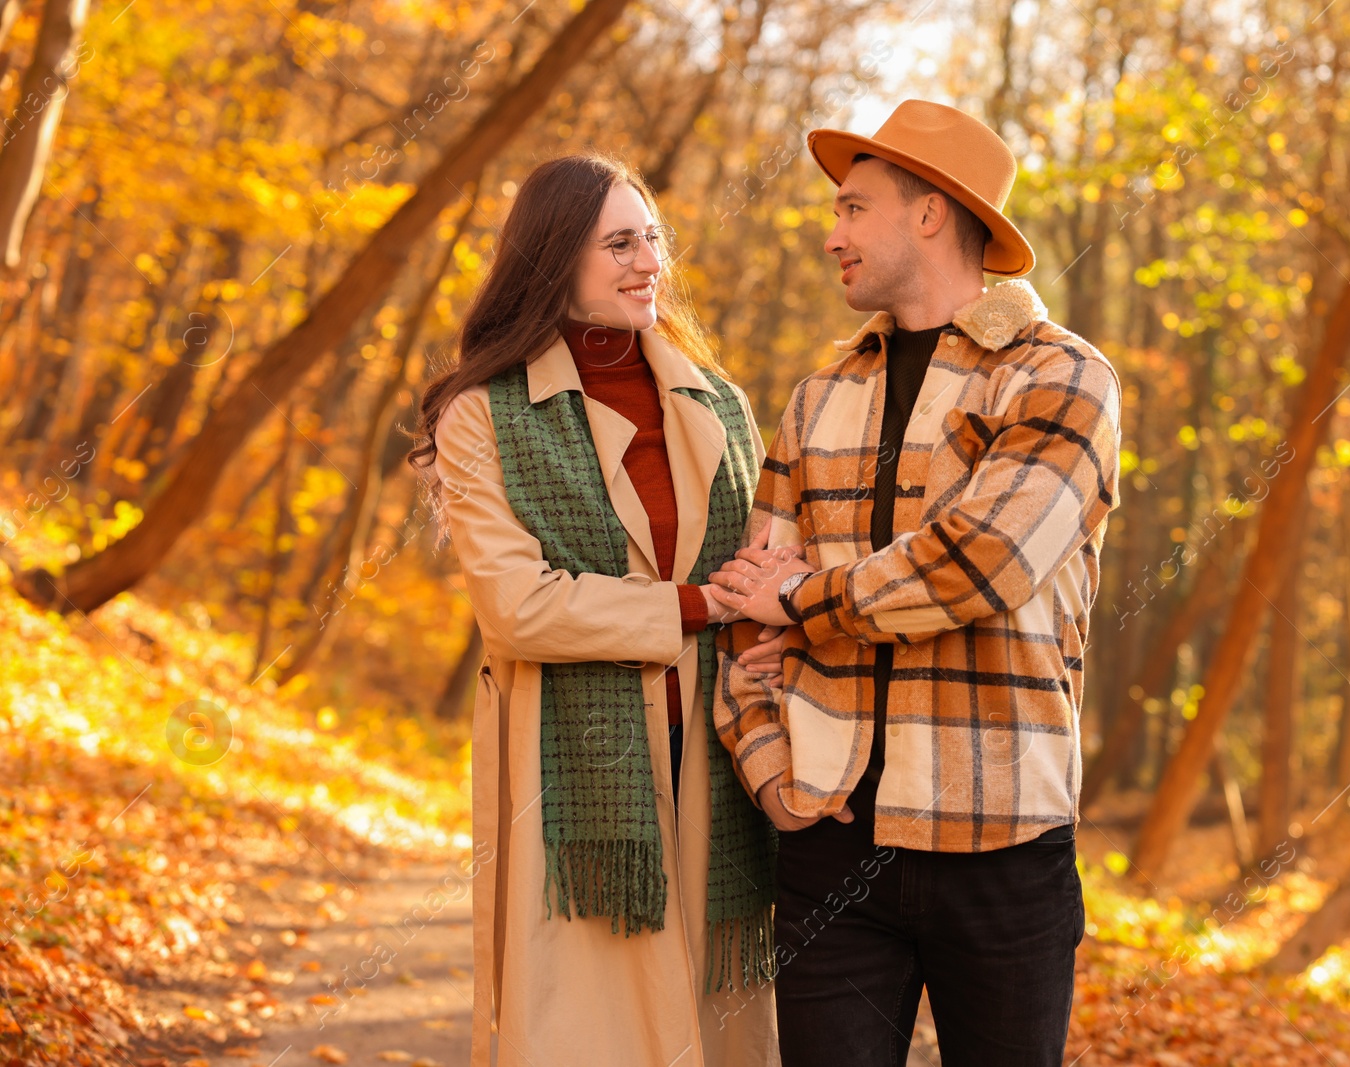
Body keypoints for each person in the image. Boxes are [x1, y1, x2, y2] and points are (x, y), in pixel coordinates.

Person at [707, 100, 1123, 1067]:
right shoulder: (817, 398)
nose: (831, 233)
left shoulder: (1061, 378)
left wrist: (805, 599)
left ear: (930, 212)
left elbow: (983, 562)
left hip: (1005, 845)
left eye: (854, 208)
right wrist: (775, 779)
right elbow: (741, 602)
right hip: (830, 844)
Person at [409, 153, 782, 1067]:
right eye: (618, 243)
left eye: (651, 238)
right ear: (551, 260)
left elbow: (768, 571)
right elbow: (520, 609)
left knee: (720, 1023)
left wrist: (768, 617)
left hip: (718, 760)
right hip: (568, 781)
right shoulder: (482, 413)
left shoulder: (719, 402)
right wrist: (700, 605)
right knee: (585, 1034)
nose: (647, 260)